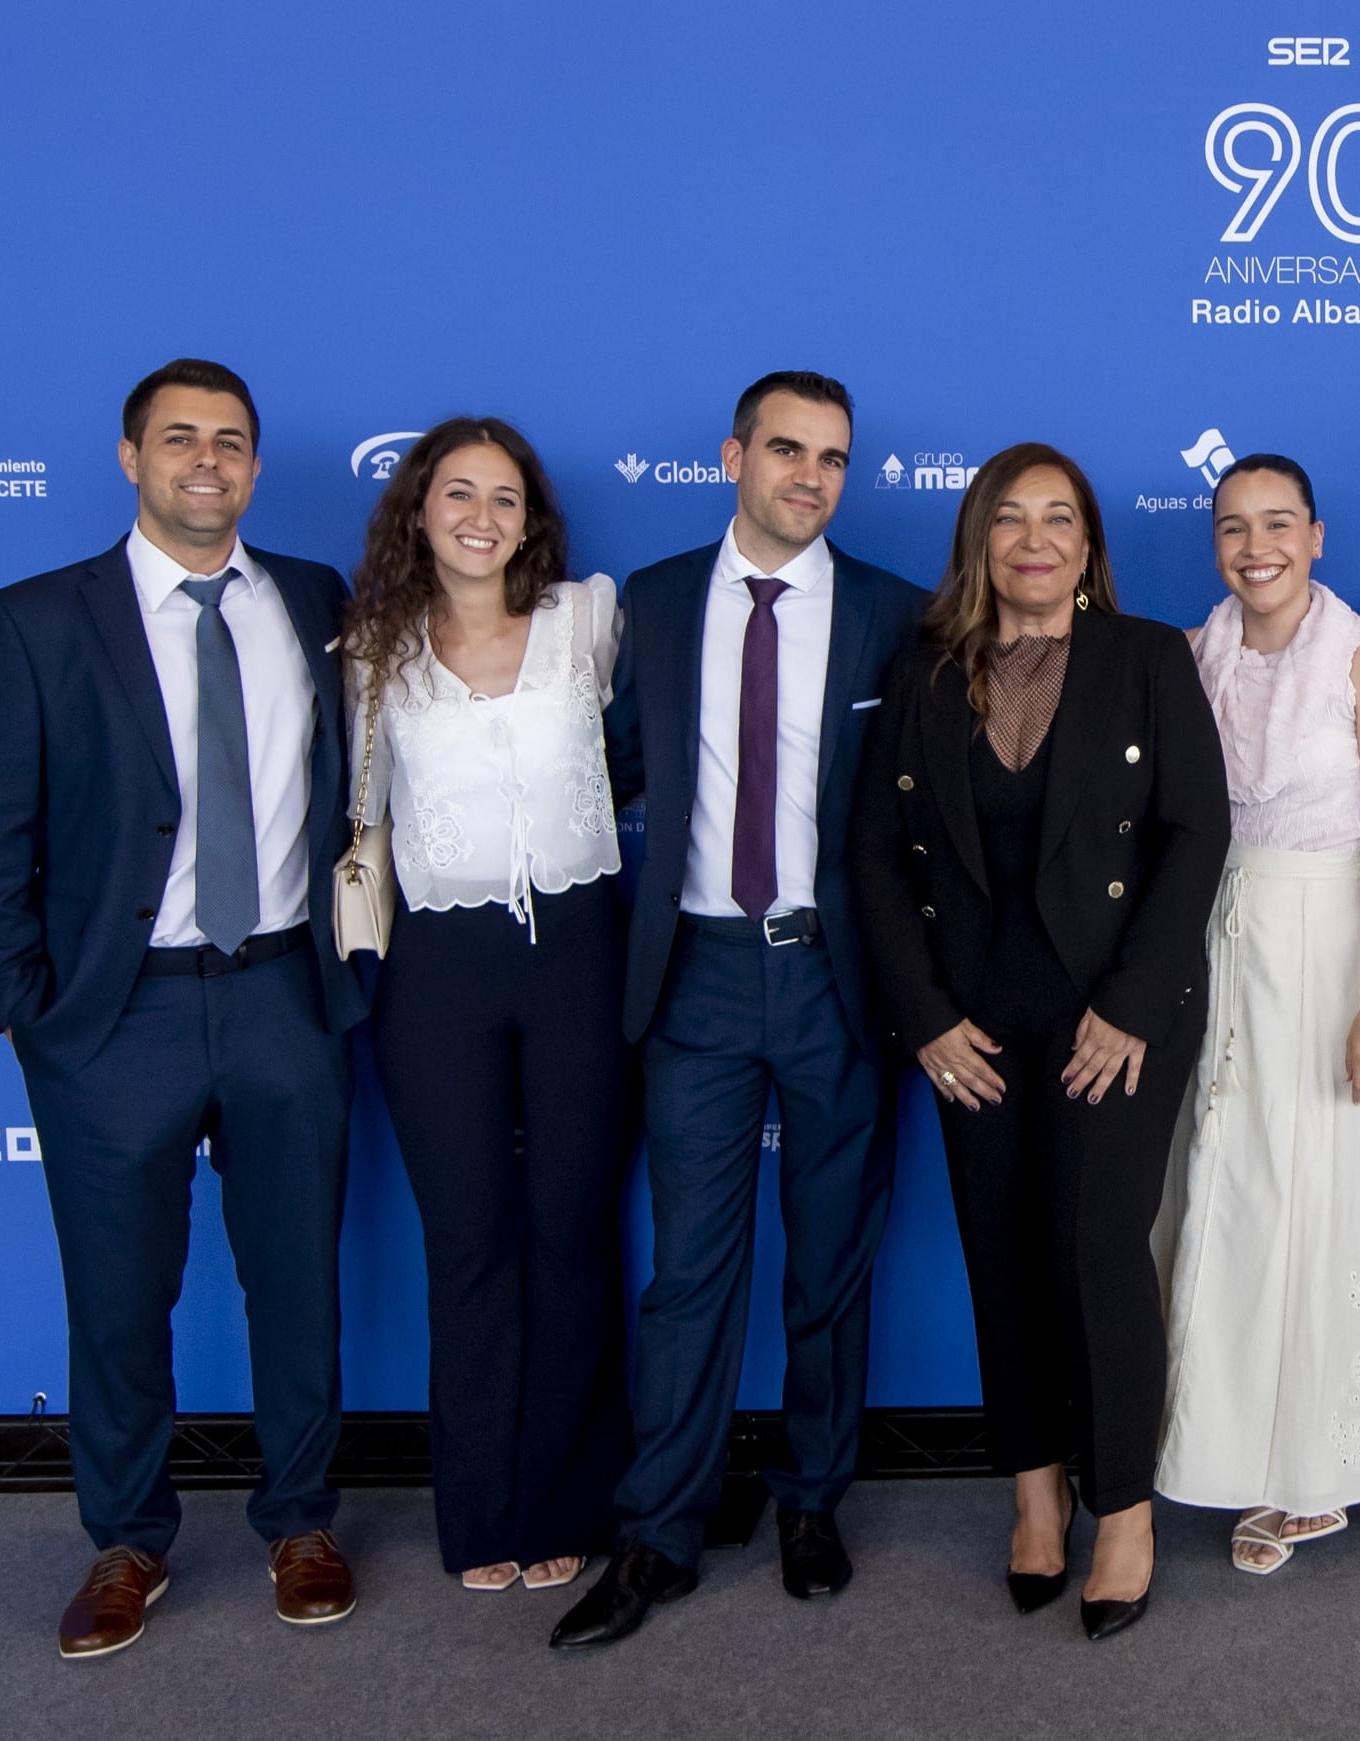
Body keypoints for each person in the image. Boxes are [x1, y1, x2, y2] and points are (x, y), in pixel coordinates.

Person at [0, 358, 367, 1657]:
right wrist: (32, 1013)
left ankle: (301, 1521)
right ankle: (127, 1540)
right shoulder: (37, 619)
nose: (208, 460)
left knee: (296, 1281)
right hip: (112, 1018)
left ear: (254, 465)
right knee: (119, 1298)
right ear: (130, 458)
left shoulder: (312, 599)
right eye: (179, 438)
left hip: (285, 995)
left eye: (231, 441)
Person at [548, 372, 928, 1650]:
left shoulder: (894, 613)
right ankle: (656, 1530)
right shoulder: (651, 602)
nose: (809, 477)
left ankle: (810, 1499)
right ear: (732, 457)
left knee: (830, 1264)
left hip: (837, 978)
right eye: (785, 450)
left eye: (831, 458)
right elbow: (600, 767)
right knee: (688, 1273)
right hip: (697, 974)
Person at [851, 443, 1230, 1641]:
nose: (1033, 538)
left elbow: (1195, 833)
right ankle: (1033, 1494)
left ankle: (1121, 1505)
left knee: (1095, 1245)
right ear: (979, 539)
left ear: (1085, 544)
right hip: (972, 1024)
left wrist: (1129, 1002)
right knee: (999, 1249)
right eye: (1008, 518)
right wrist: (922, 1019)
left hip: (1114, 1015)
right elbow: (869, 853)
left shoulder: (1146, 656)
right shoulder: (923, 666)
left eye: (1056, 519)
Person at [341, 418, 631, 1598]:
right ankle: (480, 1514)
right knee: (467, 1245)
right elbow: (357, 814)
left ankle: (567, 1498)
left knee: (571, 1237)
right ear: (418, 509)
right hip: (436, 971)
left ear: (531, 520)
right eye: (456, 492)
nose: (480, 515)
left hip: (579, 953)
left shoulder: (587, 623)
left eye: (503, 497)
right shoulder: (371, 652)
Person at [1155, 453, 1360, 1574]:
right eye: (1232, 527)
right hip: (1221, 937)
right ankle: (1225, 1450)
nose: (1254, 545)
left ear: (1317, 536)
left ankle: (1315, 1474)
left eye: (1277, 523)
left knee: (1321, 1199)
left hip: (1330, 939)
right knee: (1226, 1189)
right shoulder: (1196, 653)